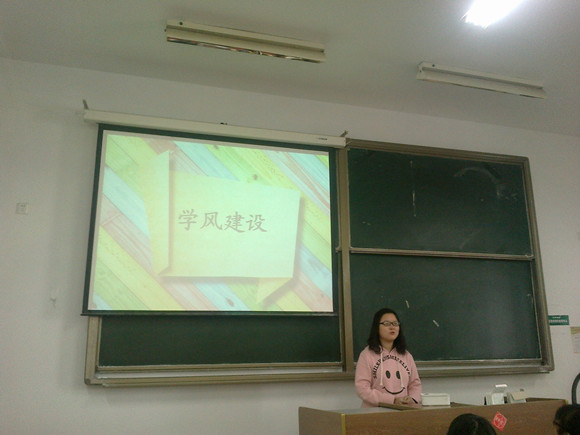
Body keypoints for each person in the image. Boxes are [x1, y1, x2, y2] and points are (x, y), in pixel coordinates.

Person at [355, 307, 422, 407]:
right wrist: (392, 400)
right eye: (387, 323)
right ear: (377, 327)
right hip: (375, 412)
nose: (392, 327)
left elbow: (415, 384)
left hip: (403, 411)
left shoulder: (406, 355)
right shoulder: (367, 355)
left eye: (395, 323)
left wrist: (412, 399)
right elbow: (362, 389)